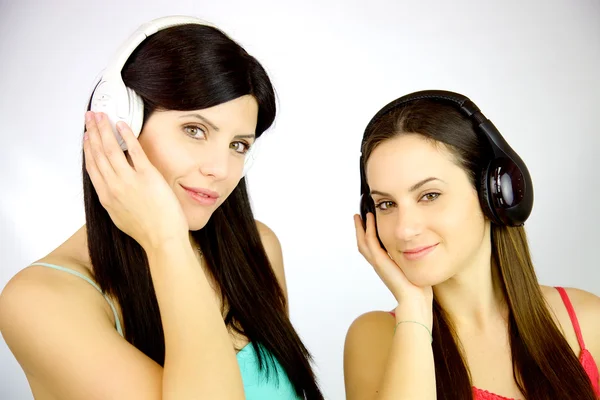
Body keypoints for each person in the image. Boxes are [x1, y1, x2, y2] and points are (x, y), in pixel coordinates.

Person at [0, 16, 323, 400]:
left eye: (239, 145)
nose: (220, 170)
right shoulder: (40, 300)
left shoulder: (256, 248)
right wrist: (166, 243)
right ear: (122, 123)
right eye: (195, 130)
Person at [344, 90, 600, 400]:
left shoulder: (589, 321)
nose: (404, 229)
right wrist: (414, 310)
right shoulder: (374, 338)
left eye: (429, 196)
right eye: (385, 204)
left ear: (495, 194)